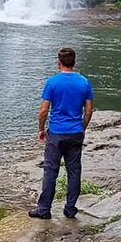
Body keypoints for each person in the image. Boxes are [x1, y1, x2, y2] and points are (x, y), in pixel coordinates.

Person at [28, 47, 94, 220]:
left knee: (50, 171)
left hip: (56, 133)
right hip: (75, 132)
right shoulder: (84, 82)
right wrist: (82, 127)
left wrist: (41, 129)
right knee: (74, 171)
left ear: (58, 62)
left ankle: (44, 210)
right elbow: (88, 110)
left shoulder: (52, 82)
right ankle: (70, 208)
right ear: (74, 62)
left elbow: (43, 110)